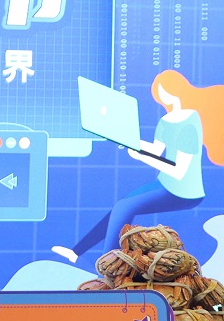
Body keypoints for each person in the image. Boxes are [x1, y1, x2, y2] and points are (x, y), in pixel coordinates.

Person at [52, 76, 204, 264]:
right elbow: (156, 150)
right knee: (120, 206)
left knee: (124, 208)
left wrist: (143, 157)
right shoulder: (166, 120)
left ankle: (109, 264)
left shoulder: (189, 124)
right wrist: (129, 139)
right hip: (165, 183)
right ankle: (76, 252)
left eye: (162, 92)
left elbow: (179, 171)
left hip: (184, 192)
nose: (160, 98)